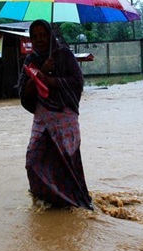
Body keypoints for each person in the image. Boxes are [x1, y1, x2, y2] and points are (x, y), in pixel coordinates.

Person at [16, 19, 93, 210]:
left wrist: (49, 79)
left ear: (50, 35)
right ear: (31, 39)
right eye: (35, 36)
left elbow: (77, 81)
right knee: (33, 162)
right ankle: (47, 201)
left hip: (64, 118)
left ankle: (75, 204)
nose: (40, 39)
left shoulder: (64, 54)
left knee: (67, 163)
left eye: (43, 35)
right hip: (42, 119)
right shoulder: (31, 60)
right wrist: (39, 73)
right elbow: (23, 91)